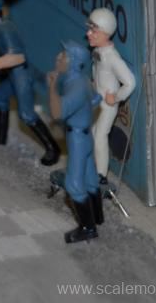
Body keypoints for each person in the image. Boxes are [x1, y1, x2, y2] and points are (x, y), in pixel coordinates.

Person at [0, 0, 60, 166]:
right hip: (15, 74)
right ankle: (0, 136)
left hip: (21, 75)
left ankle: (53, 149)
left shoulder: (4, 30)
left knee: (26, 114)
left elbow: (18, 58)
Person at [47, 41, 102, 243]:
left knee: (73, 185)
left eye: (63, 55)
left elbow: (57, 112)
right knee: (90, 179)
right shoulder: (82, 80)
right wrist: (83, 114)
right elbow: (96, 99)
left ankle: (88, 228)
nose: (58, 58)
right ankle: (97, 217)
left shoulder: (75, 87)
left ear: (74, 61)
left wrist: (52, 87)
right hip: (85, 135)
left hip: (78, 138)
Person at [86, 8, 136, 184]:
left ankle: (102, 176)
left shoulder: (112, 58)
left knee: (100, 136)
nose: (88, 34)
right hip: (97, 100)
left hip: (107, 106)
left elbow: (130, 82)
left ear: (106, 34)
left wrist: (115, 97)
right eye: (89, 29)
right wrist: (94, 84)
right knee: (93, 133)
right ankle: (94, 168)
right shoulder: (98, 52)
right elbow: (96, 71)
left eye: (94, 31)